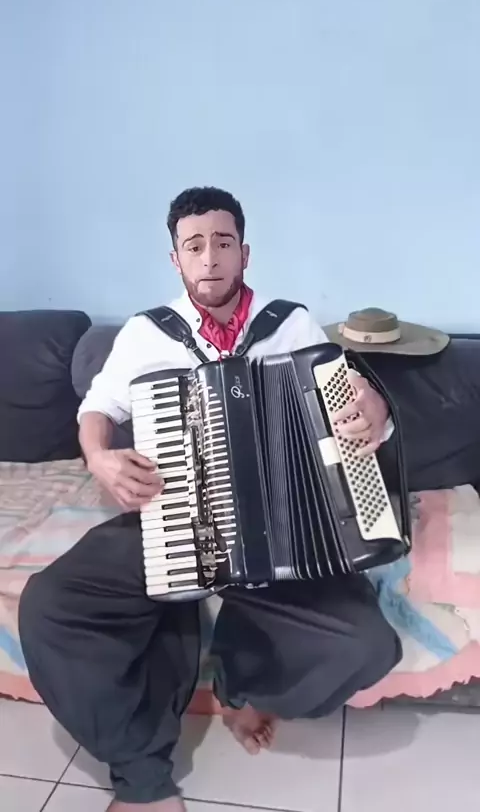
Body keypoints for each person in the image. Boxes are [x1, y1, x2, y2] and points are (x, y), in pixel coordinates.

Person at [19, 187, 401, 812]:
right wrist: (99, 456)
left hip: (283, 532)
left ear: (244, 253)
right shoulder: (147, 333)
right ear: (176, 259)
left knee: (368, 647)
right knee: (50, 606)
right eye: (194, 246)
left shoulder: (291, 326)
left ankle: (240, 683)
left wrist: (375, 410)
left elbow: (351, 410)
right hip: (169, 518)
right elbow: (97, 408)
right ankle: (142, 777)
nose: (210, 257)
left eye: (223, 243)